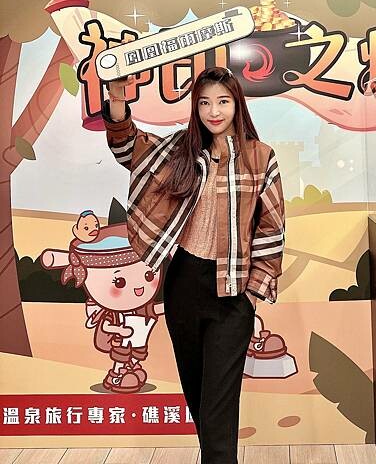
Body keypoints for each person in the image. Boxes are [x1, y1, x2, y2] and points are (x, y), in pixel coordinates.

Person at [103, 66, 285, 464]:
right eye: (204, 103)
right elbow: (127, 147)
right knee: (199, 401)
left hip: (232, 292)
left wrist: (252, 295)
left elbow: (271, 227)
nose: (213, 111)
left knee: (218, 409)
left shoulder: (260, 157)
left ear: (237, 104)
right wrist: (117, 99)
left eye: (222, 101)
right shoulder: (179, 151)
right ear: (195, 108)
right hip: (184, 284)